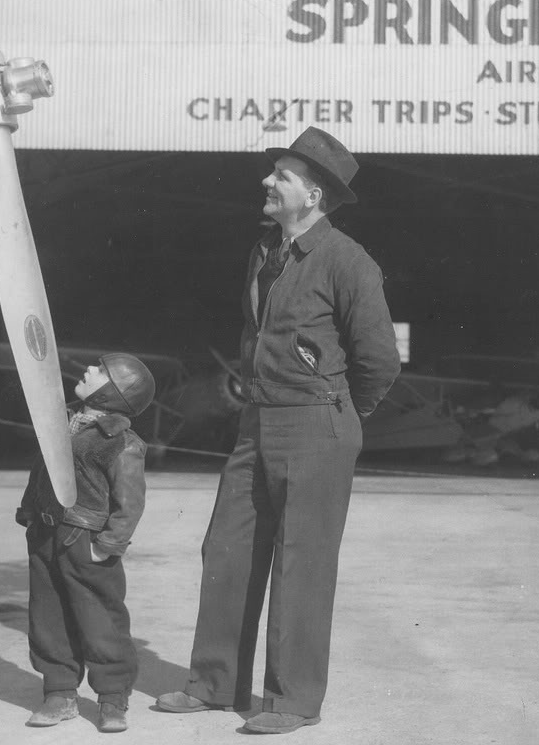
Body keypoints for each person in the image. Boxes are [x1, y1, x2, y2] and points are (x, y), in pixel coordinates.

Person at [156, 127, 401, 734]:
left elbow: (379, 361)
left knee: (302, 561)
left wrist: (338, 410)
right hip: (256, 421)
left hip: (315, 421)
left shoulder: (347, 260)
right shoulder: (265, 250)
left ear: (314, 195)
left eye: (283, 176)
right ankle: (214, 685)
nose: (268, 181)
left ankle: (291, 701)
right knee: (227, 547)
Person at [16, 353, 155, 733]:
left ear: (116, 392)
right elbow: (41, 470)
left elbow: (130, 502)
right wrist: (29, 512)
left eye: (100, 371)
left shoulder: (121, 442)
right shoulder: (60, 421)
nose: (89, 370)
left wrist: (108, 545)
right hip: (46, 534)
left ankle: (113, 699)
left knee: (102, 620)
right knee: (47, 615)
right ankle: (59, 692)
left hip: (86, 539)